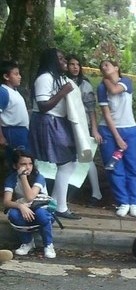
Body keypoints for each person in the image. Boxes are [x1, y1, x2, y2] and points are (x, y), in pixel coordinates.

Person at [29, 48, 81, 220]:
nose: (64, 60)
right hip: (48, 121)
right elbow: (43, 105)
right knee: (66, 163)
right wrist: (63, 92)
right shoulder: (45, 78)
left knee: (69, 163)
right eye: (59, 58)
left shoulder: (58, 78)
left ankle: (56, 203)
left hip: (57, 122)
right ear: (51, 61)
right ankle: (60, 206)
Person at [97, 59, 136, 218]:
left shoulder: (126, 82)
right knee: (114, 167)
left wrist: (106, 79)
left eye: (107, 65)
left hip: (130, 129)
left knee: (134, 167)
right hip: (109, 131)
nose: (103, 67)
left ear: (116, 67)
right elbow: (106, 114)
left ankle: (135, 202)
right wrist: (117, 137)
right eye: (101, 66)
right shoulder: (101, 88)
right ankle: (123, 201)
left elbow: (115, 90)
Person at [3, 148, 56, 258]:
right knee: (13, 214)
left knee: (42, 215)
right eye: (23, 164)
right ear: (15, 166)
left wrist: (23, 177)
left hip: (41, 208)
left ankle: (48, 244)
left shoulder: (38, 177)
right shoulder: (11, 179)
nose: (27, 167)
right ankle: (27, 242)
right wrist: (20, 206)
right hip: (25, 208)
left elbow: (30, 197)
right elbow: (6, 202)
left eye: (30, 164)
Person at [66, 55, 103, 207]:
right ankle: (67, 192)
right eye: (71, 64)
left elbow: (91, 110)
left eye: (77, 64)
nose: (75, 67)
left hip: (83, 126)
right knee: (68, 159)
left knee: (86, 158)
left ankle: (96, 193)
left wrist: (94, 129)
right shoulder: (62, 81)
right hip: (66, 126)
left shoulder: (85, 85)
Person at [0, 60, 30, 169]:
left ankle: (24, 184)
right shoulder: (3, 92)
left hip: (22, 131)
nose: (19, 77)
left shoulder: (15, 91)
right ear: (6, 76)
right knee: (18, 162)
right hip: (13, 131)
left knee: (25, 159)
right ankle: (12, 184)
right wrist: (1, 137)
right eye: (16, 74)